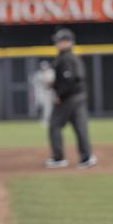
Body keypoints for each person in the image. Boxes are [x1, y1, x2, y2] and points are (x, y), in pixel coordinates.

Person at [45, 28, 97, 169]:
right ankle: (86, 157)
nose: (56, 43)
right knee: (80, 127)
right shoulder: (72, 57)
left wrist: (59, 95)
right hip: (79, 96)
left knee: (54, 126)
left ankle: (58, 158)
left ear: (68, 42)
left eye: (59, 41)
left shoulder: (65, 58)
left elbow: (69, 80)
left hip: (69, 97)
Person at [32, 60, 55, 126]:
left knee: (48, 107)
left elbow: (53, 83)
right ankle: (43, 118)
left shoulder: (51, 72)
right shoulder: (38, 74)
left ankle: (46, 120)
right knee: (40, 104)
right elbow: (35, 84)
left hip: (49, 92)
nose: (44, 69)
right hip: (41, 92)